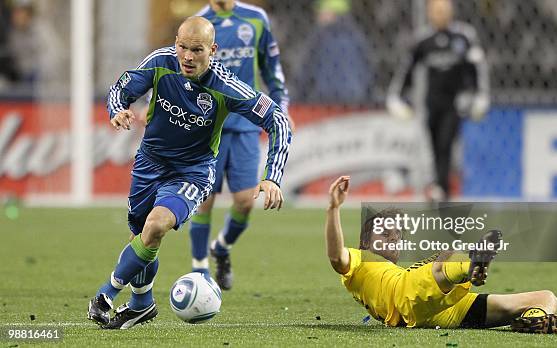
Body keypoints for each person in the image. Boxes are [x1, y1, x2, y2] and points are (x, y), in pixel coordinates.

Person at [87, 16, 291, 330]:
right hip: (148, 163)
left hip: (192, 172)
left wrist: (272, 175)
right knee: (141, 236)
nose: (187, 56)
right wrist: (118, 110)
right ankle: (142, 304)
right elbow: (120, 89)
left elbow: (277, 121)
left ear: (213, 50)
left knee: (155, 226)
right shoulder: (160, 62)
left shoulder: (227, 86)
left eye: (197, 50)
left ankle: (106, 292)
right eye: (182, 46)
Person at [325, 175, 557, 333]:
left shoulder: (397, 271)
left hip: (440, 311)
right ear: (366, 241)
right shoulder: (358, 260)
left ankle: (536, 319)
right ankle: (471, 265)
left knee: (547, 297)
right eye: (384, 233)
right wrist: (334, 208)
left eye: (397, 235)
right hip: (402, 298)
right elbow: (336, 257)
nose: (393, 239)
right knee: (444, 260)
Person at [190, 0, 292, 290]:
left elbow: (272, 68)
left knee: (246, 202)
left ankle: (221, 247)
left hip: (246, 124)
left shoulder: (256, 19)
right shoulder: (199, 23)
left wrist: (282, 108)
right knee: (202, 201)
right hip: (209, 125)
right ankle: (199, 271)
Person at [387, 0, 490, 201]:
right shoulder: (424, 40)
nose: (440, 14)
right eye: (436, 10)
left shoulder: (463, 36)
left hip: (455, 102)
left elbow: (477, 68)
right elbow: (407, 70)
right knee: (434, 144)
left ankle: (441, 188)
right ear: (429, 13)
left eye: (444, 9)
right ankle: (440, 187)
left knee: (446, 143)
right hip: (432, 103)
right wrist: (397, 97)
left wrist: (480, 96)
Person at [296, 0, 372, 104]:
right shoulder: (356, 36)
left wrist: (295, 99)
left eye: (320, 12)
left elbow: (304, 74)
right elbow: (369, 71)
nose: (317, 16)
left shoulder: (319, 37)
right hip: (355, 99)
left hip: (324, 100)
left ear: (330, 13)